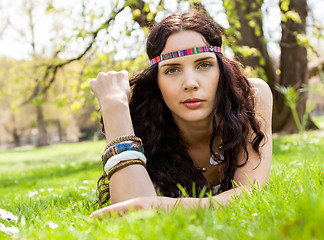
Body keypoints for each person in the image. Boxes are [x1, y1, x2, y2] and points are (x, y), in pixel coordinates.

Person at [89, 11, 272, 218]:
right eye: (172, 70)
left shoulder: (251, 96)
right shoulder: (140, 118)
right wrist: (114, 105)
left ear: (222, 69)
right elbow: (133, 218)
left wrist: (157, 205)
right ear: (156, 81)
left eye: (204, 64)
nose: (191, 83)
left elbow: (250, 194)